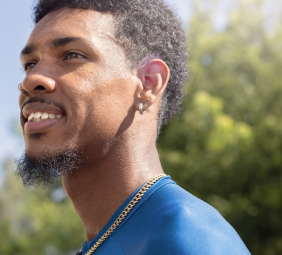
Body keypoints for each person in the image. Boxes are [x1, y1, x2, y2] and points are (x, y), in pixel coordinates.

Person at [15, 0, 251, 254]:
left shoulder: (188, 237)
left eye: (72, 55)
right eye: (30, 64)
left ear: (148, 83)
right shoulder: (107, 239)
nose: (30, 80)